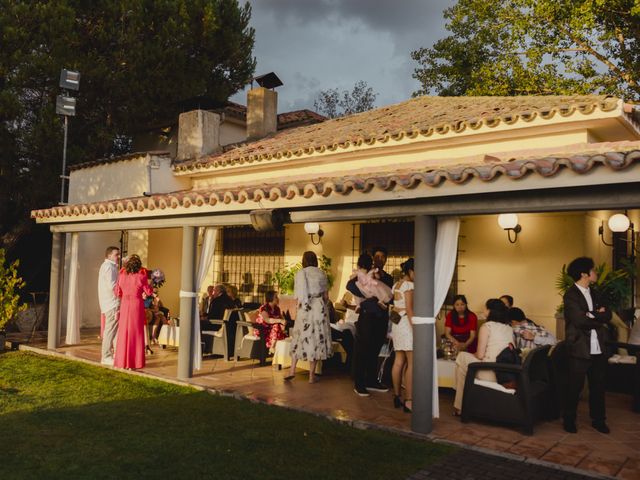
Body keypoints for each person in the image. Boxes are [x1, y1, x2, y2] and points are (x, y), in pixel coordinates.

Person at [562, 257, 612, 434]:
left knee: (598, 387)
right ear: (584, 274)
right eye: (593, 270)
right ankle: (569, 420)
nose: (596, 273)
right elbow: (579, 320)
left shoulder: (596, 292)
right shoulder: (570, 295)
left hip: (598, 347)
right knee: (574, 387)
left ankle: (599, 421)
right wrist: (596, 315)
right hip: (579, 348)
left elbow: (608, 315)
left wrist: (591, 315)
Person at [453, 301, 513, 415]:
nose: (482, 311)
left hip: (489, 372)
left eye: (485, 309)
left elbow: (480, 355)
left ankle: (460, 405)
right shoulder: (508, 327)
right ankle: (462, 404)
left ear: (490, 311)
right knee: (463, 364)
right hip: (504, 372)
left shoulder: (487, 326)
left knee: (461, 357)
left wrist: (471, 354)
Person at [348, 247, 393, 397]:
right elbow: (351, 286)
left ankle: (371, 380)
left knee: (375, 349)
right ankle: (359, 383)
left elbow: (390, 296)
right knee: (363, 350)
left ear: (386, 259)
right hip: (367, 317)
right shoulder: (363, 274)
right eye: (377, 256)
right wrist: (370, 298)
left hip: (381, 318)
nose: (380, 259)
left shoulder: (387, 277)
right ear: (373, 259)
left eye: (383, 256)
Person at [287, 251, 332, 384]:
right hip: (318, 307)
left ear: (304, 260)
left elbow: (298, 297)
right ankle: (311, 376)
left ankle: (292, 371)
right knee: (316, 339)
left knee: (300, 336)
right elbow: (326, 297)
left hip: (305, 308)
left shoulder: (300, 274)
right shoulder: (322, 273)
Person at [114, 254, 153, 370]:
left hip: (125, 305)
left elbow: (117, 292)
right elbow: (149, 292)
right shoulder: (141, 276)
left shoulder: (122, 275)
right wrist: (151, 284)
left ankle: (122, 362)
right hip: (136, 305)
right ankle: (133, 363)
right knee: (136, 333)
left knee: (124, 332)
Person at [391, 258, 415, 413]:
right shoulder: (409, 285)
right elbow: (410, 309)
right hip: (406, 324)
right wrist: (416, 330)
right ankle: (409, 400)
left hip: (397, 324)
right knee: (412, 363)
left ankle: (397, 396)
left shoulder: (396, 285)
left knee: (399, 361)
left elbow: (395, 309)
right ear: (411, 271)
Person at [98, 246, 120, 366]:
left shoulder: (108, 266)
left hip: (110, 303)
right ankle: (106, 356)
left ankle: (116, 354)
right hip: (112, 303)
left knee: (114, 330)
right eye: (116, 255)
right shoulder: (109, 267)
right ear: (109, 255)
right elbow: (113, 287)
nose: (118, 257)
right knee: (110, 331)